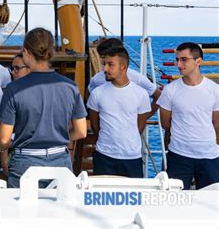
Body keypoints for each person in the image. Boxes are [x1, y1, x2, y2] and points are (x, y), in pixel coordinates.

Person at [0, 28, 87, 188]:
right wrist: (59, 138)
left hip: (25, 164)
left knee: (22, 212)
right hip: (60, 162)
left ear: (26, 52)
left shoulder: (13, 89)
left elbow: (4, 140)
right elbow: (81, 131)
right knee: (60, 212)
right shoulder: (70, 87)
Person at [157, 42, 219, 189]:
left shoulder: (214, 90)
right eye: (177, 59)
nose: (179, 64)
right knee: (174, 201)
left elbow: (216, 122)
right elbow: (165, 123)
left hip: (208, 156)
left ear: (198, 61)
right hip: (179, 155)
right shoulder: (170, 90)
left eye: (184, 59)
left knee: (211, 203)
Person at [87, 47, 151, 177]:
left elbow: (140, 125)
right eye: (104, 64)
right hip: (104, 156)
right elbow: (95, 125)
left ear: (123, 67)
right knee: (103, 197)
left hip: (132, 158)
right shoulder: (97, 93)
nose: (105, 69)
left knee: (133, 196)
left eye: (110, 65)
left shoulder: (141, 94)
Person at [88, 38, 161, 118]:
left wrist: (144, 118)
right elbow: (90, 96)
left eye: (105, 57)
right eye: (102, 57)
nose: (103, 61)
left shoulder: (137, 78)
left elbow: (158, 96)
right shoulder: (97, 79)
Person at [0, 53, 30, 176]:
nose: (13, 72)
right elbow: (3, 136)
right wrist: (4, 162)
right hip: (14, 154)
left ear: (30, 68)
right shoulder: (10, 91)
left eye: (17, 68)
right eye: (12, 68)